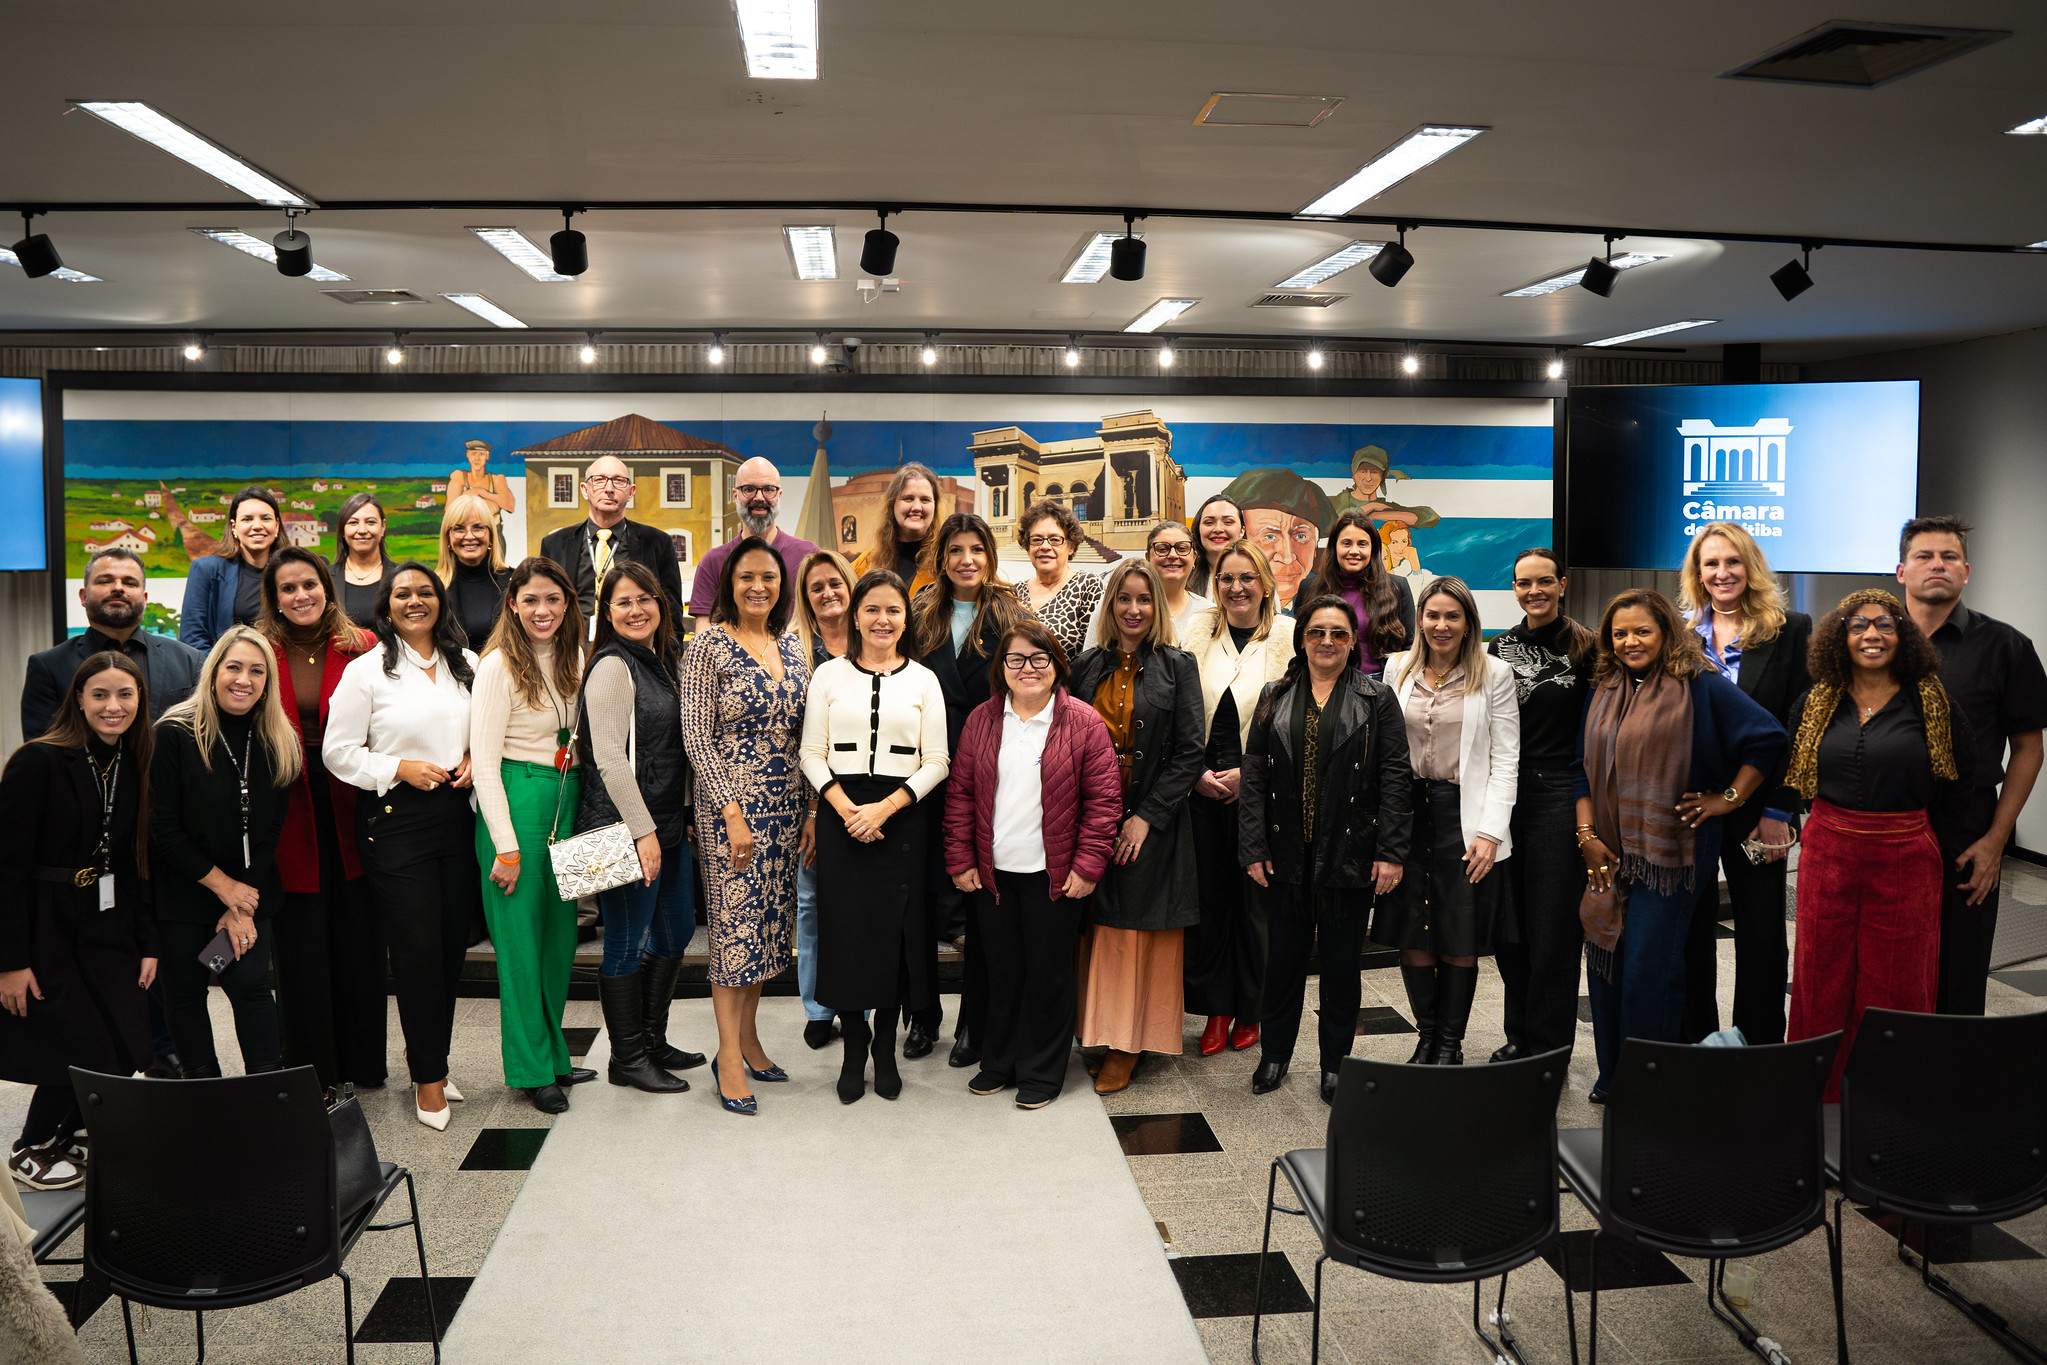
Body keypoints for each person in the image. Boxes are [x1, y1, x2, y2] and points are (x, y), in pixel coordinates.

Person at [1574, 589, 1787, 1102]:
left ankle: (1649, 1082)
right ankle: (1613, 1076)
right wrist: (1586, 836)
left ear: (1666, 631)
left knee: (1649, 971)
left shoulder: (1701, 686)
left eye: (1642, 631)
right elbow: (1577, 766)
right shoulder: (1604, 686)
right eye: (1620, 633)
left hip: (1671, 856)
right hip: (1609, 852)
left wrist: (1728, 799)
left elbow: (1770, 738)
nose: (1630, 641)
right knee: (1607, 965)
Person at [1784, 591, 1973, 1101]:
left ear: (1902, 636)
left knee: (1897, 985)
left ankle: (1888, 1110)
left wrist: (1962, 851)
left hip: (1905, 854)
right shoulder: (1814, 702)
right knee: (1819, 979)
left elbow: (1961, 788)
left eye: (1885, 625)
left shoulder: (1933, 703)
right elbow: (1791, 777)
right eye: (1858, 625)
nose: (1872, 635)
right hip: (1828, 851)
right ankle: (1817, 1102)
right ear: (1839, 638)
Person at [323, 562, 480, 1131]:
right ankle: (427, 1082)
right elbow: (338, 753)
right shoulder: (366, 672)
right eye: (402, 594)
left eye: (425, 592)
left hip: (456, 818)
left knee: (448, 951)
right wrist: (399, 767)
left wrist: (472, 762)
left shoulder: (468, 664)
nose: (415, 601)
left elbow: (482, 734)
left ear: (440, 601)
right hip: (394, 820)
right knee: (415, 953)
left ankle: (431, 1058)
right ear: (385, 606)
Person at [1240, 597, 1412, 1103]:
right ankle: (1275, 1055)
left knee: (1340, 966)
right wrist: (1252, 844)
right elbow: (1254, 774)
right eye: (1317, 632)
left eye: (1338, 633)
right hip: (1284, 854)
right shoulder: (1276, 694)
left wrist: (1391, 851)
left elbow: (1396, 777)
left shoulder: (1377, 698)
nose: (1327, 642)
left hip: (1350, 852)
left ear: (1351, 641)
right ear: (1303, 639)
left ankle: (1336, 1064)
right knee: (1284, 963)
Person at [945, 619, 1118, 1108]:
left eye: (1039, 659)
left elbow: (1104, 803)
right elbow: (959, 793)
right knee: (1001, 972)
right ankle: (999, 1061)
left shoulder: (1083, 723)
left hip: (1055, 877)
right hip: (992, 873)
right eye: (1016, 659)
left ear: (1057, 666)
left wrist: (1086, 867)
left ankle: (1042, 1071)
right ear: (1001, 667)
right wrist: (960, 859)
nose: (1028, 668)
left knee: (1048, 975)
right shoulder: (983, 719)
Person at [0, 654, 158, 1191]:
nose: (113, 707)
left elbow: (138, 863)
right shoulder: (39, 761)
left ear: (140, 701)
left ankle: (70, 1131)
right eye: (100, 695)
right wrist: (11, 962)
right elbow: (7, 869)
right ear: (79, 699)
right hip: (48, 924)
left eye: (125, 696)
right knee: (77, 1043)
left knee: (121, 1043)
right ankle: (31, 1147)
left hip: (108, 923)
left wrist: (148, 943)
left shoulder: (133, 762)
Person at [799, 570, 950, 1104]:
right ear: (855, 616)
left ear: (905, 619)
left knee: (894, 939)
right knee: (847, 935)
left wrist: (883, 809)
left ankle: (884, 1048)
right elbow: (810, 754)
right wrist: (845, 810)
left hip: (902, 815)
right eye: (872, 610)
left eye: (893, 611)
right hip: (842, 815)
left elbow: (938, 761)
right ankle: (853, 1045)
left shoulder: (924, 680)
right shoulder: (828, 676)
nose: (882, 620)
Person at [1896, 515, 2047, 1016]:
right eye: (1924, 556)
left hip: (1966, 828)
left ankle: (1953, 1085)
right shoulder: (1869, 642)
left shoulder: (2007, 647)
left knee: (1958, 970)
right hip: (1882, 823)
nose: (1937, 564)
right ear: (1901, 571)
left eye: (1949, 557)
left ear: (1966, 571)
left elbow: (2029, 748)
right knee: (1886, 960)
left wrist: (1996, 841)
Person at [680, 538, 810, 1116]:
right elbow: (696, 736)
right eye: (746, 577)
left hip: (787, 811)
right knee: (734, 936)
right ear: (729, 584)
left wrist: (809, 812)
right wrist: (730, 811)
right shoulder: (708, 646)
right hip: (731, 810)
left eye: (770, 577)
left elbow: (807, 735)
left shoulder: (791, 644)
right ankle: (727, 1055)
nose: (759, 586)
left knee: (765, 932)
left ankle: (751, 1039)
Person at [1069, 560, 1204, 1094]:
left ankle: (1128, 1043)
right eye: (1123, 599)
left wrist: (1147, 818)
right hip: (1092, 812)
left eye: (1143, 600)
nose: (1133, 610)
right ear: (1110, 605)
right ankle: (1095, 1032)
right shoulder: (1084, 666)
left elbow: (1191, 751)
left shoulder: (1179, 666)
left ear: (1157, 607)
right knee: (1098, 929)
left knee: (1137, 931)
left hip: (1156, 818)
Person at [1676, 522, 1812, 1046]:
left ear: (1750, 567)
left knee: (1760, 933)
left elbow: (1804, 726)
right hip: (1691, 805)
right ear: (1698, 573)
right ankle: (1698, 1040)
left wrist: (1781, 811)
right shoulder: (1681, 634)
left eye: (1732, 562)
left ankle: (1757, 1045)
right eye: (1711, 563)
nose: (1722, 572)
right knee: (1692, 926)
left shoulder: (1791, 628)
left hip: (1761, 809)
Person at [1375, 578, 1520, 1066]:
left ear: (1468, 623)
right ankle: (1427, 1035)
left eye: (1451, 617)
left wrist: (1489, 832)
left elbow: (1506, 760)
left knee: (1459, 933)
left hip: (1465, 817)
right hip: (1405, 815)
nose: (1441, 625)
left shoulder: (1494, 674)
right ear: (1420, 619)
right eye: (1432, 615)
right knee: (1413, 930)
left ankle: (1451, 1044)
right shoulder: (1396, 667)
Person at [258, 548, 387, 1090]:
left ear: (326, 588)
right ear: (274, 599)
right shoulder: (259, 650)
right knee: (301, 943)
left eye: (309, 584)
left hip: (353, 802)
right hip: (288, 806)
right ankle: (313, 1067)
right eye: (287, 589)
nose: (300, 596)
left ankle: (364, 1063)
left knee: (358, 937)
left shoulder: (366, 646)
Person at [574, 561, 703, 1097]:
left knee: (674, 936)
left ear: (661, 604)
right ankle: (627, 1058)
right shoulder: (611, 666)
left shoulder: (666, 661)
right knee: (625, 944)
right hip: (625, 829)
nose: (636, 610)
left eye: (644, 599)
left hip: (669, 826)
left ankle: (652, 1038)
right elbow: (607, 758)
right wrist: (642, 832)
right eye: (623, 602)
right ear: (607, 612)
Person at [469, 557, 590, 1115]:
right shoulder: (497, 666)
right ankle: (531, 1068)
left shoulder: (575, 658)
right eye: (531, 600)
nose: (543, 610)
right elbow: (487, 766)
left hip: (563, 803)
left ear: (568, 605)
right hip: (516, 806)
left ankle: (555, 1055)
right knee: (519, 949)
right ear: (513, 605)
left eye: (554, 600)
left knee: (558, 943)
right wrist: (507, 846)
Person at [909, 513, 1030, 1067]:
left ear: (990, 555)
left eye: (976, 549)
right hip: (924, 771)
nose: (966, 560)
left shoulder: (1010, 611)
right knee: (922, 903)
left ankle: (972, 1024)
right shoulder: (919, 611)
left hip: (989, 770)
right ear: (942, 557)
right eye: (955, 550)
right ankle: (922, 1017)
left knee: (981, 899)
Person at [150, 626, 298, 1077]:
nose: (244, 679)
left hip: (246, 900)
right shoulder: (174, 733)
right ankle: (204, 1093)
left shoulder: (276, 737)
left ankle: (267, 1095)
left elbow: (271, 829)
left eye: (257, 671)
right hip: (184, 895)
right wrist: (224, 888)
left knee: (250, 986)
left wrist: (242, 900)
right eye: (233, 667)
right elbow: (162, 827)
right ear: (213, 672)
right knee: (187, 993)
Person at [1180, 541, 1295, 1058]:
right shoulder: (1197, 631)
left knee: (1256, 906)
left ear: (1265, 583)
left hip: (1263, 790)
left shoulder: (1290, 635)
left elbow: (1298, 721)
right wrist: (1196, 772)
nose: (1237, 588)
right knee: (1210, 903)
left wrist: (1249, 773)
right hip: (1202, 788)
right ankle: (1216, 1008)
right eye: (1227, 578)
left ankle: (1251, 1008)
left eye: (1247, 577)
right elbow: (1181, 709)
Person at [1486, 549, 1595, 1063]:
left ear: (1562, 585)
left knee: (1552, 928)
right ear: (1514, 588)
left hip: (1559, 793)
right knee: (1511, 930)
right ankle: (1518, 1035)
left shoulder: (1589, 647)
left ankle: (1549, 1046)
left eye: (1545, 582)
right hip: (1506, 793)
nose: (1536, 591)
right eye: (1525, 583)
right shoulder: (1497, 648)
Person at [23, 548, 203, 738]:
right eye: (105, 581)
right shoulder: (49, 667)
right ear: (83, 596)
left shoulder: (188, 661)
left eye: (130, 583)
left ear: (144, 599)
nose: (118, 588)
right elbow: (42, 751)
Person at [790, 550, 856, 1047]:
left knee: (860, 904)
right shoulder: (792, 650)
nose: (828, 593)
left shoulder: (876, 640)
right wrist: (813, 807)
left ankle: (861, 1000)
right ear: (805, 596)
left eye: (836, 583)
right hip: (804, 796)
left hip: (866, 795)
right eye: (816, 587)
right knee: (811, 902)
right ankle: (817, 1007)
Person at [538, 456, 687, 627]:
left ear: (631, 492)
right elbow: (545, 604)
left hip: (635, 648)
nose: (609, 488)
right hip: (573, 649)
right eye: (599, 480)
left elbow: (671, 610)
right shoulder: (555, 544)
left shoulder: (657, 543)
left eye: (618, 481)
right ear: (585, 490)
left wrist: (666, 652)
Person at [685, 456, 821, 621]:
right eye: (749, 489)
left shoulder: (808, 556)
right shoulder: (712, 562)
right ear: (735, 495)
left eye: (768, 489)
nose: (759, 497)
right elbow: (704, 634)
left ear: (779, 495)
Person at [1294, 510, 1416, 677]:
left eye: (1362, 544)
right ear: (1334, 547)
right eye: (1346, 543)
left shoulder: (1397, 587)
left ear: (1373, 549)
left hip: (1380, 689)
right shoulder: (1309, 588)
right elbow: (1300, 646)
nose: (1354, 550)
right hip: (1325, 686)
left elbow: (1410, 648)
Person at [180, 485, 283, 651]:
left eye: (265, 518)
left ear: (276, 526)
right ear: (234, 527)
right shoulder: (205, 569)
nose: (257, 525)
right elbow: (192, 639)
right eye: (247, 519)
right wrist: (223, 673)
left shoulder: (290, 573)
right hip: (224, 672)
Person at [1217, 468, 1334, 613]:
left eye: (1301, 536)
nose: (1287, 557)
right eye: (1269, 537)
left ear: (1315, 545)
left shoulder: (1330, 600)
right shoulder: (1220, 603)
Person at [1013, 500, 1102, 660]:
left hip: (1070, 684)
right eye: (1037, 540)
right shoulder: (1014, 593)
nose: (1045, 546)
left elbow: (1095, 655)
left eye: (1054, 540)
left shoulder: (1089, 586)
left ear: (1071, 546)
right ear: (1028, 547)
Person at [850, 462, 941, 602]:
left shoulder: (945, 563)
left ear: (935, 506)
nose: (917, 507)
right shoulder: (864, 565)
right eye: (908, 498)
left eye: (925, 500)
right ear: (892, 504)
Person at [1329, 444, 1440, 530]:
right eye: (1363, 471)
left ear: (1383, 477)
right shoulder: (1332, 502)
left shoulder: (1384, 507)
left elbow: (1428, 516)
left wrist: (1375, 515)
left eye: (1374, 472)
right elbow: (1336, 523)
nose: (1368, 478)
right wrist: (1370, 507)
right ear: (1354, 475)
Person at [332, 491, 397, 626]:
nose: (362, 530)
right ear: (342, 529)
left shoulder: (401, 576)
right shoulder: (325, 578)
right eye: (353, 522)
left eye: (370, 522)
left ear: (383, 527)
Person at [1142, 521, 1213, 636]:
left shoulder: (1208, 612)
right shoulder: (1126, 608)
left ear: (1194, 557)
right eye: (1162, 549)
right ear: (1148, 558)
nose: (1173, 555)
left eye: (1182, 548)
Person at [1186, 494, 1244, 599]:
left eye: (1228, 522)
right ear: (1198, 531)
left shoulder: (1258, 578)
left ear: (1242, 531)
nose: (1218, 529)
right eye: (1209, 523)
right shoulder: (1183, 579)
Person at [447, 438, 515, 518]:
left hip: (494, 529)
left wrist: (480, 492)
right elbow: (450, 509)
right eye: (474, 454)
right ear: (467, 455)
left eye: (481, 454)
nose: (477, 459)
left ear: (487, 456)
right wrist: (484, 504)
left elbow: (510, 506)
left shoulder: (496, 480)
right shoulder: (460, 478)